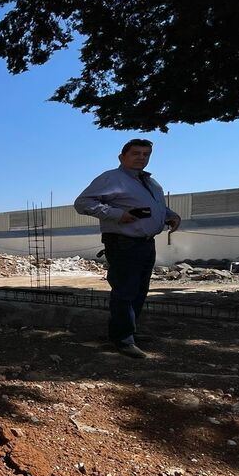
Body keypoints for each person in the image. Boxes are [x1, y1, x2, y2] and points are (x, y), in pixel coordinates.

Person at [74, 139, 181, 359]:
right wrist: (116, 214)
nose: (141, 157)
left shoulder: (151, 183)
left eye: (146, 154)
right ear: (122, 157)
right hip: (123, 242)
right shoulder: (112, 178)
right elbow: (82, 203)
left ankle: (129, 332)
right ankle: (122, 339)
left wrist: (170, 216)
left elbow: (156, 207)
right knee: (125, 291)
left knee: (140, 290)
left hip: (145, 242)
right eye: (136, 153)